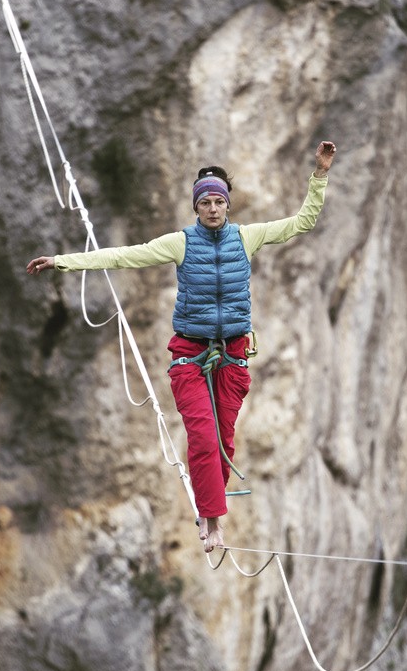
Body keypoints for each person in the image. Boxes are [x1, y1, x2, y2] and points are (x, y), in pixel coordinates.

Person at [27, 140, 336, 552]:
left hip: (232, 355)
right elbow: (123, 256)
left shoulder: (248, 237)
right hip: (190, 356)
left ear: (227, 205)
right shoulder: (180, 243)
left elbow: (301, 222)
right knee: (204, 439)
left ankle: (211, 508)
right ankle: (212, 523)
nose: (212, 208)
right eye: (205, 202)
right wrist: (62, 261)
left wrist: (319, 174)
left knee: (225, 443)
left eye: (218, 202)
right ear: (196, 207)